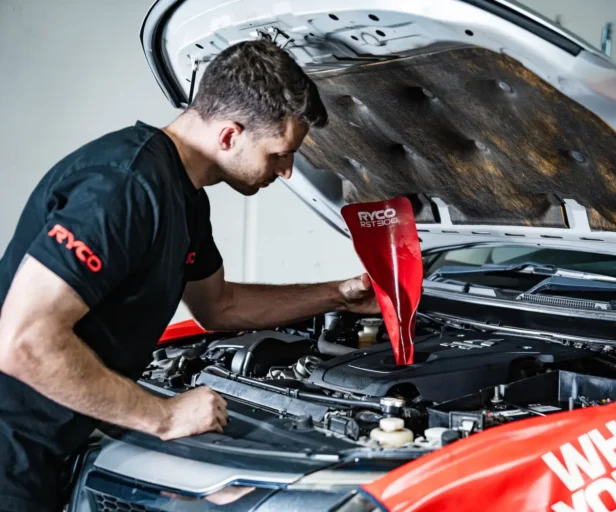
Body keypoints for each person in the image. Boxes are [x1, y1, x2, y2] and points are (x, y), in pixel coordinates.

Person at [0, 38, 378, 511]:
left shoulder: (186, 198)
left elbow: (220, 306)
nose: (286, 171)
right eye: (280, 153)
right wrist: (162, 415)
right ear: (230, 135)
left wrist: (339, 294)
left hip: (48, 447)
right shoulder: (124, 187)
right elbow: (23, 342)